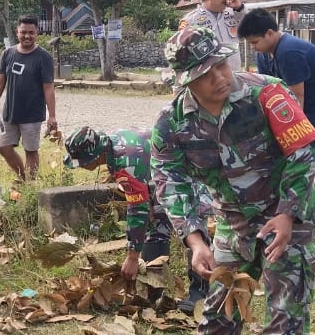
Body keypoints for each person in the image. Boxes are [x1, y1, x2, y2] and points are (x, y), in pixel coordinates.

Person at [151, 27, 315, 335]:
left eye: (221, 64)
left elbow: (302, 153)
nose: (220, 76)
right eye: (206, 72)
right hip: (233, 220)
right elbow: (169, 181)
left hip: (287, 216)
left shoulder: (268, 94)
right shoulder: (172, 123)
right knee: (221, 299)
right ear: (187, 81)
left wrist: (287, 213)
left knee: (287, 304)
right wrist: (195, 240)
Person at [64, 125, 211, 311]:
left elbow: (136, 210)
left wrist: (133, 257)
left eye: (82, 162)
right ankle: (154, 289)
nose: (83, 167)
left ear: (93, 157)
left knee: (194, 230)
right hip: (166, 179)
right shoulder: (114, 141)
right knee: (157, 227)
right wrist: (147, 200)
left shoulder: (125, 161)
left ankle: (201, 295)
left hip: (191, 175)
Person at [238, 10, 315, 163]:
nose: (253, 47)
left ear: (269, 33)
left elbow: (297, 96)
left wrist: (292, 130)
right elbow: (268, 90)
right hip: (300, 103)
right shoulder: (262, 53)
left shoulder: (289, 52)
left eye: (255, 42)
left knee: (306, 160)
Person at [0, 15, 57, 179]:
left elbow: (48, 88)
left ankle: (31, 186)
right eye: (23, 32)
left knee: (31, 151)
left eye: (31, 33)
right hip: (10, 113)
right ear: (17, 32)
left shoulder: (44, 57)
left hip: (32, 114)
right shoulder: (7, 54)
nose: (27, 36)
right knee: (3, 147)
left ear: (37, 33)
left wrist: (52, 116)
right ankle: (23, 177)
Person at [177, 0, 245, 71]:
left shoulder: (235, 13)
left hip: (234, 76)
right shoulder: (190, 21)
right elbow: (183, 56)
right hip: (210, 80)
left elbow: (255, 26)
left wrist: (240, 8)